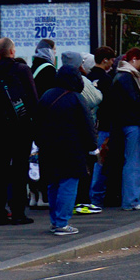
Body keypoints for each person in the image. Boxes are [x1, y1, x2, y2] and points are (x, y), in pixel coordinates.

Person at [0, 37, 38, 225]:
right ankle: (18, 211)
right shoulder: (22, 70)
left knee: (2, 170)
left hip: (0, 131)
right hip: (21, 128)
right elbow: (32, 99)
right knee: (20, 169)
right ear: (12, 51)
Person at [36, 64, 96, 235]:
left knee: (53, 184)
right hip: (71, 148)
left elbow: (37, 121)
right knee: (68, 184)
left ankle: (55, 221)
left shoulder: (47, 95)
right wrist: (92, 145)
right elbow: (87, 125)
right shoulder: (76, 98)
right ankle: (62, 222)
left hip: (48, 148)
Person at [110, 48, 140, 210]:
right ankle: (132, 200)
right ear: (134, 59)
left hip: (122, 123)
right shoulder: (129, 77)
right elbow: (134, 102)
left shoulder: (119, 76)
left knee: (128, 162)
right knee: (134, 163)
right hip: (133, 124)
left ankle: (129, 199)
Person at [67, 52, 103, 216]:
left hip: (66, 132)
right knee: (86, 167)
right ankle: (83, 202)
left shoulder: (56, 84)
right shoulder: (82, 81)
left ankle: (71, 204)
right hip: (83, 129)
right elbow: (97, 98)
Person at [87, 47, 117, 209]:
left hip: (88, 125)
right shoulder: (107, 80)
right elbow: (111, 105)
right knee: (100, 162)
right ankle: (97, 196)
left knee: (90, 162)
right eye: (111, 59)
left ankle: (88, 195)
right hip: (104, 125)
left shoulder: (87, 77)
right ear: (105, 60)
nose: (112, 63)